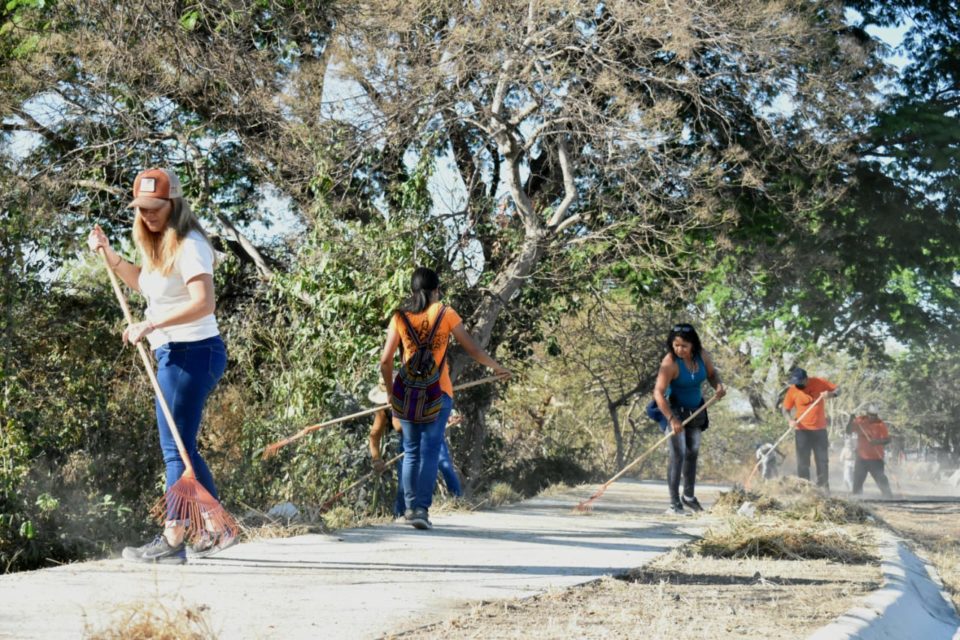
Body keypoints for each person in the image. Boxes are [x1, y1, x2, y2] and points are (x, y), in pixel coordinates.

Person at [87, 168, 231, 564]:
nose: (148, 214)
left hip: (193, 352)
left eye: (155, 207)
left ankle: (173, 539)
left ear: (174, 204)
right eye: (142, 208)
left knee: (174, 449)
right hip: (173, 353)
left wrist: (151, 323)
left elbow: (204, 302)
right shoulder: (158, 245)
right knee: (182, 447)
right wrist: (110, 255)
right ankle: (215, 529)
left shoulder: (190, 244)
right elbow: (144, 284)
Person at [379, 267, 509, 530]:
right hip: (439, 394)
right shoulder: (446, 313)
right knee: (429, 452)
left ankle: (408, 509)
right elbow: (472, 348)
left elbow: (385, 361)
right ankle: (421, 510)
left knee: (411, 451)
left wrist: (393, 396)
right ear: (436, 290)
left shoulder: (399, 318)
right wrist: (496, 368)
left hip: (407, 397)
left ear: (413, 292)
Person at [650, 323, 726, 515]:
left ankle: (689, 497)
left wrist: (718, 386)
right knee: (678, 454)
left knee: (693, 452)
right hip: (674, 412)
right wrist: (671, 419)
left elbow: (712, 375)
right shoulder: (670, 362)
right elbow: (658, 393)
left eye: (684, 346)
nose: (679, 350)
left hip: (696, 410)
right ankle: (674, 503)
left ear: (693, 344)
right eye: (675, 345)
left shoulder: (702, 356)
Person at [367, 383, 463, 519]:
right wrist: (376, 459)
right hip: (407, 442)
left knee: (444, 465)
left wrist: (450, 416)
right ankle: (400, 515)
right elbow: (375, 436)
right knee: (404, 483)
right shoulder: (383, 410)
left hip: (429, 435)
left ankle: (459, 501)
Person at [781, 367, 839, 490]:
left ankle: (823, 488)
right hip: (802, 431)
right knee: (802, 463)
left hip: (819, 430)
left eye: (799, 382)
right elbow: (785, 409)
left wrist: (831, 394)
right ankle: (805, 488)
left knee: (822, 461)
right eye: (795, 382)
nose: (797, 385)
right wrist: (790, 420)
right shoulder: (793, 390)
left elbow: (840, 390)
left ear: (806, 379)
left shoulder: (819, 382)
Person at [847, 406, 893, 498]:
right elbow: (848, 431)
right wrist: (850, 420)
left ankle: (888, 497)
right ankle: (857, 499)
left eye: (875, 415)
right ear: (867, 414)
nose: (873, 417)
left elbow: (888, 440)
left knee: (881, 479)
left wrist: (877, 442)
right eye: (871, 415)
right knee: (857, 481)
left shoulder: (880, 424)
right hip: (861, 458)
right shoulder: (860, 421)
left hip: (876, 458)